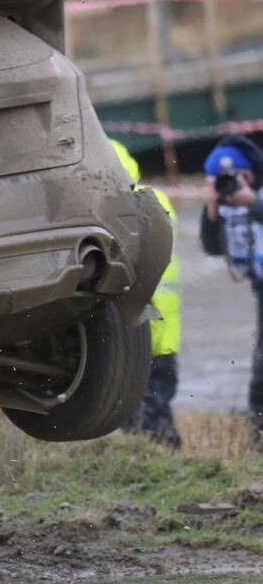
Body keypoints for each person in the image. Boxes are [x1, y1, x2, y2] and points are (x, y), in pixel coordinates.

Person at [111, 140, 182, 447]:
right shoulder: (158, 199)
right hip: (164, 334)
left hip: (135, 333)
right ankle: (169, 465)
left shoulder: (118, 212)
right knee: (157, 409)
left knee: (137, 415)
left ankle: (153, 465)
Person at [199, 134, 263, 444]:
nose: (232, 183)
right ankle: (258, 440)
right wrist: (211, 210)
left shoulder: (253, 196)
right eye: (222, 178)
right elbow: (212, 247)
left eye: (238, 175)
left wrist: (253, 201)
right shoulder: (225, 203)